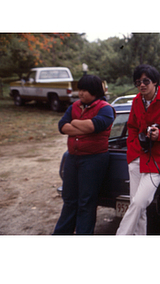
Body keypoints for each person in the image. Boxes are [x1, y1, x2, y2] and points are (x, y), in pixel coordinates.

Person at [116, 64, 160, 235]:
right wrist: (133, 145)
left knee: (139, 203)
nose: (142, 85)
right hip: (137, 157)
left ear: (155, 82)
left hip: (158, 161)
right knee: (137, 207)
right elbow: (132, 126)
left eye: (146, 81)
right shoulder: (136, 101)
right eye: (138, 82)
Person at [53, 75, 115, 234]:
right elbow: (62, 126)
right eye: (79, 89)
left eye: (84, 90)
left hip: (94, 159)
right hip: (73, 157)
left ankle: (83, 234)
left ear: (94, 91)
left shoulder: (105, 108)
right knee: (69, 199)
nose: (80, 93)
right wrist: (82, 128)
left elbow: (95, 125)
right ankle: (61, 233)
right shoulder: (74, 106)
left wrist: (73, 123)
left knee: (86, 201)